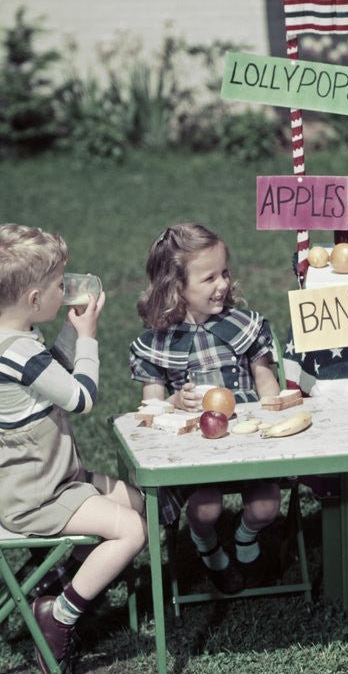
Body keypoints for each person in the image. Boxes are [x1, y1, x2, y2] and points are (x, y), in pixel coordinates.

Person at [0, 223, 147, 674]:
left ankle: (56, 579)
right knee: (132, 530)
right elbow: (80, 396)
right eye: (58, 286)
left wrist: (68, 334)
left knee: (139, 501)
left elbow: (53, 373)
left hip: (51, 477)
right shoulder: (20, 353)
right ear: (33, 299)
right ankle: (59, 616)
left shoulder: (6, 337)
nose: (64, 292)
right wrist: (88, 335)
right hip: (36, 495)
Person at [129, 223, 282, 595]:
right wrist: (174, 402)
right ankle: (208, 548)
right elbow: (150, 407)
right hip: (198, 450)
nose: (223, 284)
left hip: (249, 440)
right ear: (175, 287)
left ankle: (246, 539)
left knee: (266, 505)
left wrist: (271, 413)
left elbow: (266, 381)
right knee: (205, 510)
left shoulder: (244, 326)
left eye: (224, 273)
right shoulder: (158, 343)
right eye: (209, 277)